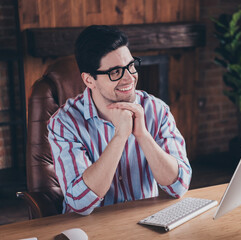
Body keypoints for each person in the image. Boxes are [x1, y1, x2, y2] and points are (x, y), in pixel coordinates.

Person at [47, 25, 192, 215]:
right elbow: (79, 203)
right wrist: (119, 137)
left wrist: (142, 135)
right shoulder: (64, 123)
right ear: (89, 80)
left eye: (131, 66)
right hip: (92, 228)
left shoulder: (157, 110)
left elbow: (179, 186)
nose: (129, 78)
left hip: (145, 223)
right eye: (115, 72)